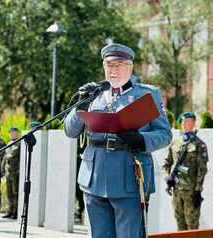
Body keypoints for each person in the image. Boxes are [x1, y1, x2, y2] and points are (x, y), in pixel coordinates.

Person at [64, 43, 172, 238]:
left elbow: (165, 134)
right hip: (94, 177)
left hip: (129, 177)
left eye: (118, 65)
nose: (112, 70)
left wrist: (141, 140)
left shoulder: (146, 94)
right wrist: (82, 103)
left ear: (130, 67)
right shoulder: (94, 94)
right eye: (108, 65)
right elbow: (70, 131)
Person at [163, 112, 208, 230]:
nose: (184, 124)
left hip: (191, 192)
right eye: (182, 121)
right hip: (177, 191)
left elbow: (202, 169)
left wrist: (198, 190)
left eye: (187, 121)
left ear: (193, 123)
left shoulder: (199, 144)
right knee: (180, 225)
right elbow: (166, 163)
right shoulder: (175, 142)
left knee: (192, 226)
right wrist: (167, 178)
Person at [2, 127, 21, 219]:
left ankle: (15, 212)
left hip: (15, 172)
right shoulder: (9, 144)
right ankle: (10, 210)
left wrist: (19, 170)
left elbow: (21, 158)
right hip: (8, 172)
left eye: (14, 133)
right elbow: (4, 158)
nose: (12, 134)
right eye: (11, 133)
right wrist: (3, 170)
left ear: (17, 134)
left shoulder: (20, 143)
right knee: (9, 192)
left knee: (15, 192)